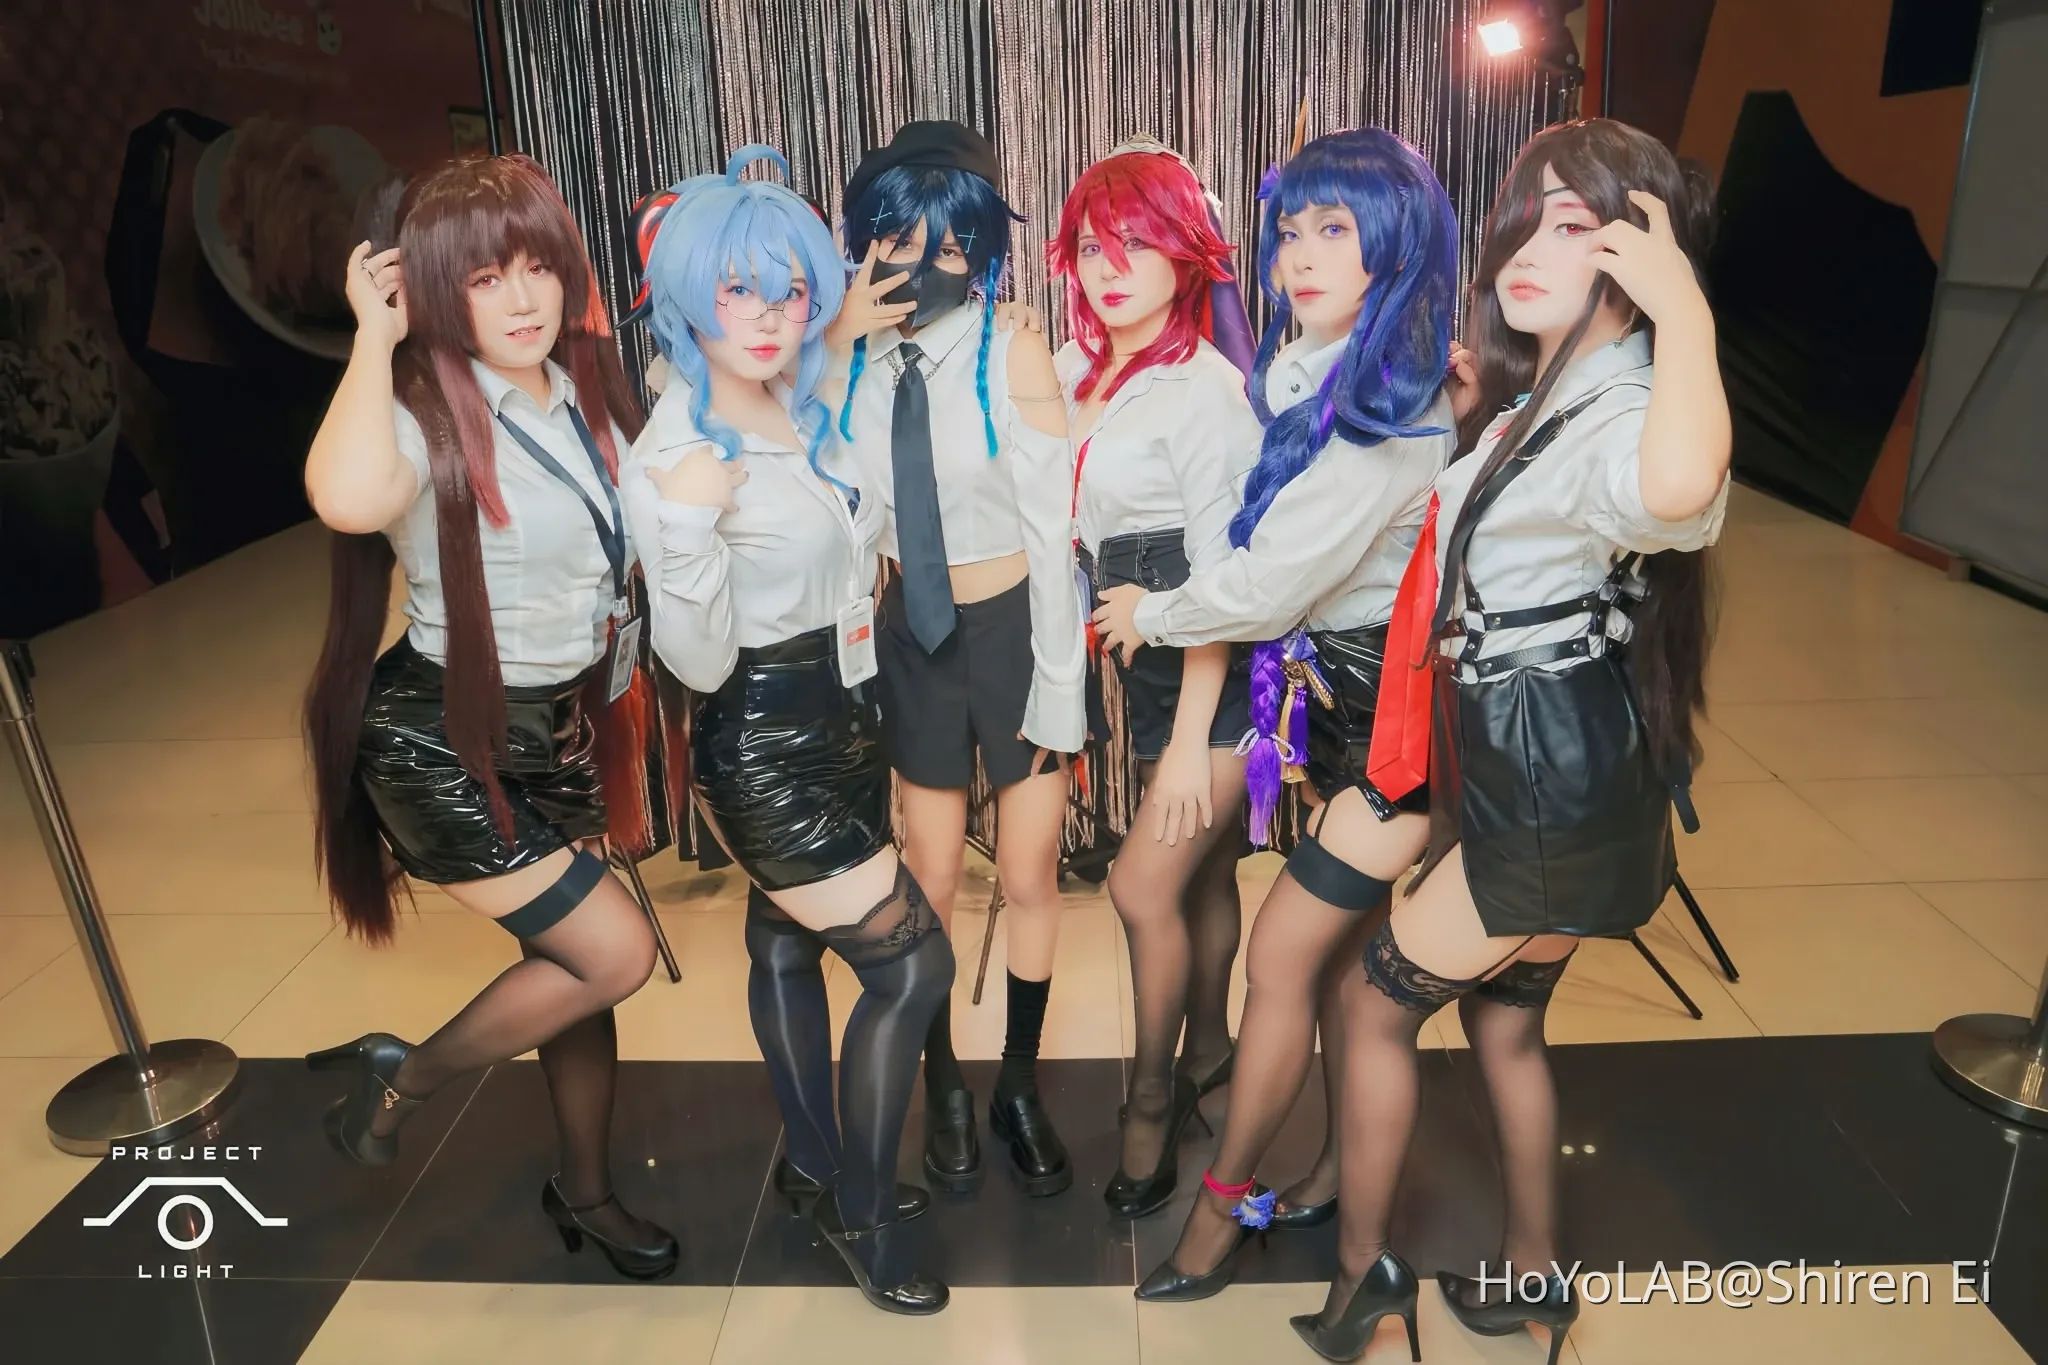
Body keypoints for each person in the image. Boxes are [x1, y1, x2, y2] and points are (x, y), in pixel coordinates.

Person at [1292, 118, 1729, 1363]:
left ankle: (1363, 1286)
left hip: (1541, 789)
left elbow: (1675, 492)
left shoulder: (1627, 401)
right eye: (1521, 222)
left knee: (1370, 1004)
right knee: (1503, 1022)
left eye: (1573, 225)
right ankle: (1536, 1279)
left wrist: (1683, 314)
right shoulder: (1555, 396)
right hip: (1559, 767)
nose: (1527, 250)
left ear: (1640, 254)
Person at [1089, 127, 1459, 1300]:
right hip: (1331, 713)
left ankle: (1223, 1210)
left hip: (1390, 738)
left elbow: (1260, 585)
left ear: (1392, 243)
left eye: (1332, 230)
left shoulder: (1388, 412)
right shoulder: (1313, 365)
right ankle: (1332, 1185)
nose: (1299, 255)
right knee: (1343, 982)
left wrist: (1153, 612)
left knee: (1281, 957)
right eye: (1290, 229)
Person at [301, 155, 677, 1280]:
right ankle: (405, 1076)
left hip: (554, 735)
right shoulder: (420, 415)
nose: (521, 300)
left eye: (537, 269)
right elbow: (346, 499)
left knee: (572, 972)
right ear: (431, 290)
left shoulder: (587, 391)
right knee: (611, 953)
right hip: (440, 742)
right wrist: (373, 338)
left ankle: (587, 1192)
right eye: (482, 279)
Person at [622, 145, 954, 1316]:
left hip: (846, 709)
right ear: (687, 298)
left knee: (781, 937)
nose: (768, 317)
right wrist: (685, 530)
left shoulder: (792, 402)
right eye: (737, 293)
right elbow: (695, 664)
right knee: (911, 964)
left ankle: (813, 1165)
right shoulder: (675, 455)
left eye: (788, 292)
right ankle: (863, 1211)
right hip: (760, 738)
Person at [831, 120, 1087, 1198]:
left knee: (1027, 876)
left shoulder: (1011, 347)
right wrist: (831, 343)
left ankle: (1016, 1084)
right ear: (867, 241)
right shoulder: (841, 357)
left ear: (977, 250)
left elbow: (1052, 533)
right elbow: (825, 496)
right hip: (912, 634)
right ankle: (941, 1082)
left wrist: (1061, 691)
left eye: (948, 246)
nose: (922, 266)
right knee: (927, 879)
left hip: (1013, 627)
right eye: (898, 241)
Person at [1047, 141, 1264, 1219]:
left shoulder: (1207, 392)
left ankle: (1150, 1101)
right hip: (1136, 654)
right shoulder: (1068, 370)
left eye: (1136, 243)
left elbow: (1224, 582)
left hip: (1204, 666)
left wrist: (1186, 745)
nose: (1111, 268)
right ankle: (1211, 1055)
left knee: (1140, 888)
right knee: (1204, 879)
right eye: (1092, 247)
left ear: (1186, 253)